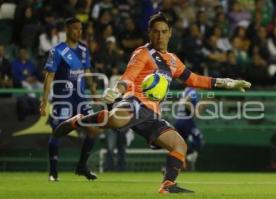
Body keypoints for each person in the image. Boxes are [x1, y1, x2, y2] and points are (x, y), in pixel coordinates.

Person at [54, 13, 251, 193]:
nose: (160, 36)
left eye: (164, 32)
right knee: (115, 121)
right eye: (156, 32)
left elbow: (195, 80)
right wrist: (116, 91)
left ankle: (168, 185)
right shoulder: (142, 53)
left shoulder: (173, 60)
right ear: (150, 33)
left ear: (170, 34)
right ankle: (77, 121)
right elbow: (128, 77)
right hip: (134, 102)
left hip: (152, 115)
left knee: (180, 145)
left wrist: (226, 82)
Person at [39, 18, 99, 181]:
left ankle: (81, 166)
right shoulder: (57, 50)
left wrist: (93, 92)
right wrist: (44, 101)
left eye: (80, 29)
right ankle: (53, 172)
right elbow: (49, 76)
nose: (79, 32)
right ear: (67, 30)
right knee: (58, 133)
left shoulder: (84, 50)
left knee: (93, 130)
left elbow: (87, 72)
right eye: (75, 29)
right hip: (62, 98)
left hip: (81, 99)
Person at [173, 87, 205, 171]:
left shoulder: (186, 90)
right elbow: (186, 102)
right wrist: (194, 111)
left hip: (178, 120)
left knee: (180, 145)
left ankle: (171, 166)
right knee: (199, 139)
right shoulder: (193, 91)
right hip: (186, 120)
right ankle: (189, 156)